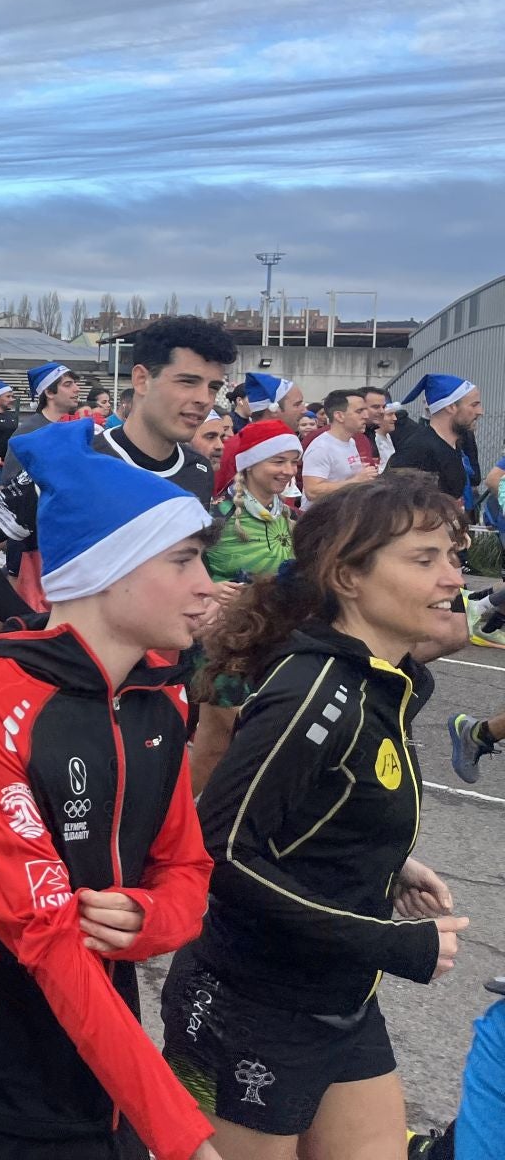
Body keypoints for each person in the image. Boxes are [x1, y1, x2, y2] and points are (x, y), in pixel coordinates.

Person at [0, 418, 220, 1160]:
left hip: (107, 1070)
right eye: (184, 560)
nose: (208, 586)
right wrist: (181, 1134)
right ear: (111, 570)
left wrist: (151, 919)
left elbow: (187, 872)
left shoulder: (157, 698)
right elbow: (45, 936)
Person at [167, 471, 468, 1158]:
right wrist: (389, 941)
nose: (452, 576)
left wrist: (382, 865)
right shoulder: (315, 691)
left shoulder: (383, 681)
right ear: (349, 577)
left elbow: (316, 811)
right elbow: (225, 851)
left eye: (453, 555)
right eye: (424, 559)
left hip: (341, 1002)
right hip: (253, 1009)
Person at [0, 315, 233, 622]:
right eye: (187, 381)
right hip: (81, 664)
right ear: (141, 380)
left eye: (213, 387)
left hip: (167, 665)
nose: (204, 399)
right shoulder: (74, 458)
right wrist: (33, 626)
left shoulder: (198, 470)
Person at [188, 419, 302, 791]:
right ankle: (178, 826)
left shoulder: (287, 516)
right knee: (221, 737)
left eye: (293, 462)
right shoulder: (216, 515)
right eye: (278, 462)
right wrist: (212, 586)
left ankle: (199, 821)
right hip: (225, 641)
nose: (287, 471)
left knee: (228, 743)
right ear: (251, 463)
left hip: (273, 640)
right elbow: (178, 567)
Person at [391, 373, 484, 507]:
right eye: (474, 405)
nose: (480, 411)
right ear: (450, 407)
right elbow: (390, 500)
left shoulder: (453, 446)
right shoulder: (419, 448)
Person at [302, 389, 378, 500]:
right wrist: (356, 481)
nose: (366, 416)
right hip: (322, 515)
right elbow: (312, 492)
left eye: (365, 410)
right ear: (339, 416)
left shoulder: (351, 442)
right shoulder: (321, 448)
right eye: (359, 411)